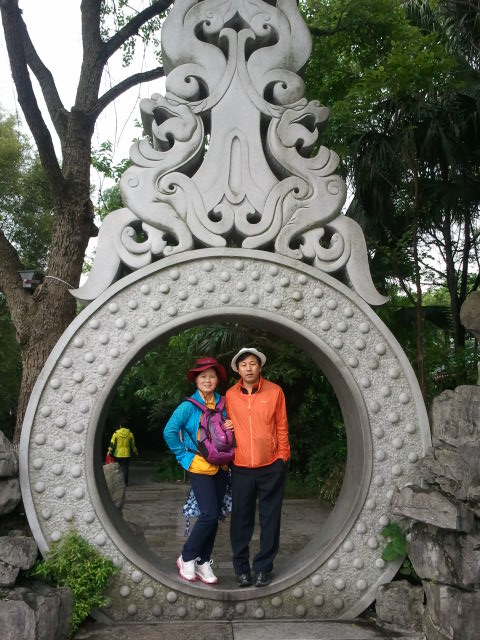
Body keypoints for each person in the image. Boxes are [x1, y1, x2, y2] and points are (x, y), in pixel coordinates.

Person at [163, 357, 232, 585]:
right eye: (203, 377)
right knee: (209, 514)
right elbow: (169, 432)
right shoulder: (188, 406)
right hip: (199, 466)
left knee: (215, 516)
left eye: (212, 376)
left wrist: (232, 425)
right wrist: (184, 457)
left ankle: (203, 561)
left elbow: (231, 431)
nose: (208, 380)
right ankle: (186, 556)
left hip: (222, 465)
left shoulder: (224, 403)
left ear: (217, 380)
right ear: (196, 380)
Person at [226, 347, 290, 588]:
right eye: (244, 365)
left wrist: (282, 457)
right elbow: (220, 424)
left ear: (260, 366)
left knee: (270, 519)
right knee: (240, 520)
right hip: (241, 466)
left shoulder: (275, 391)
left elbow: (281, 425)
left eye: (252, 363)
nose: (249, 368)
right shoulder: (230, 395)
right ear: (238, 370)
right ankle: (241, 569)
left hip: (271, 466)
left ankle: (263, 568)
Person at [108, 418, 138, 486]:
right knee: (125, 468)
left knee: (116, 469)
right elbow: (133, 445)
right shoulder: (130, 434)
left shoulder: (116, 434)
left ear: (120, 426)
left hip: (117, 454)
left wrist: (109, 451)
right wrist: (135, 451)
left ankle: (117, 483)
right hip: (127, 454)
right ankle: (125, 483)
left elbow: (112, 443)